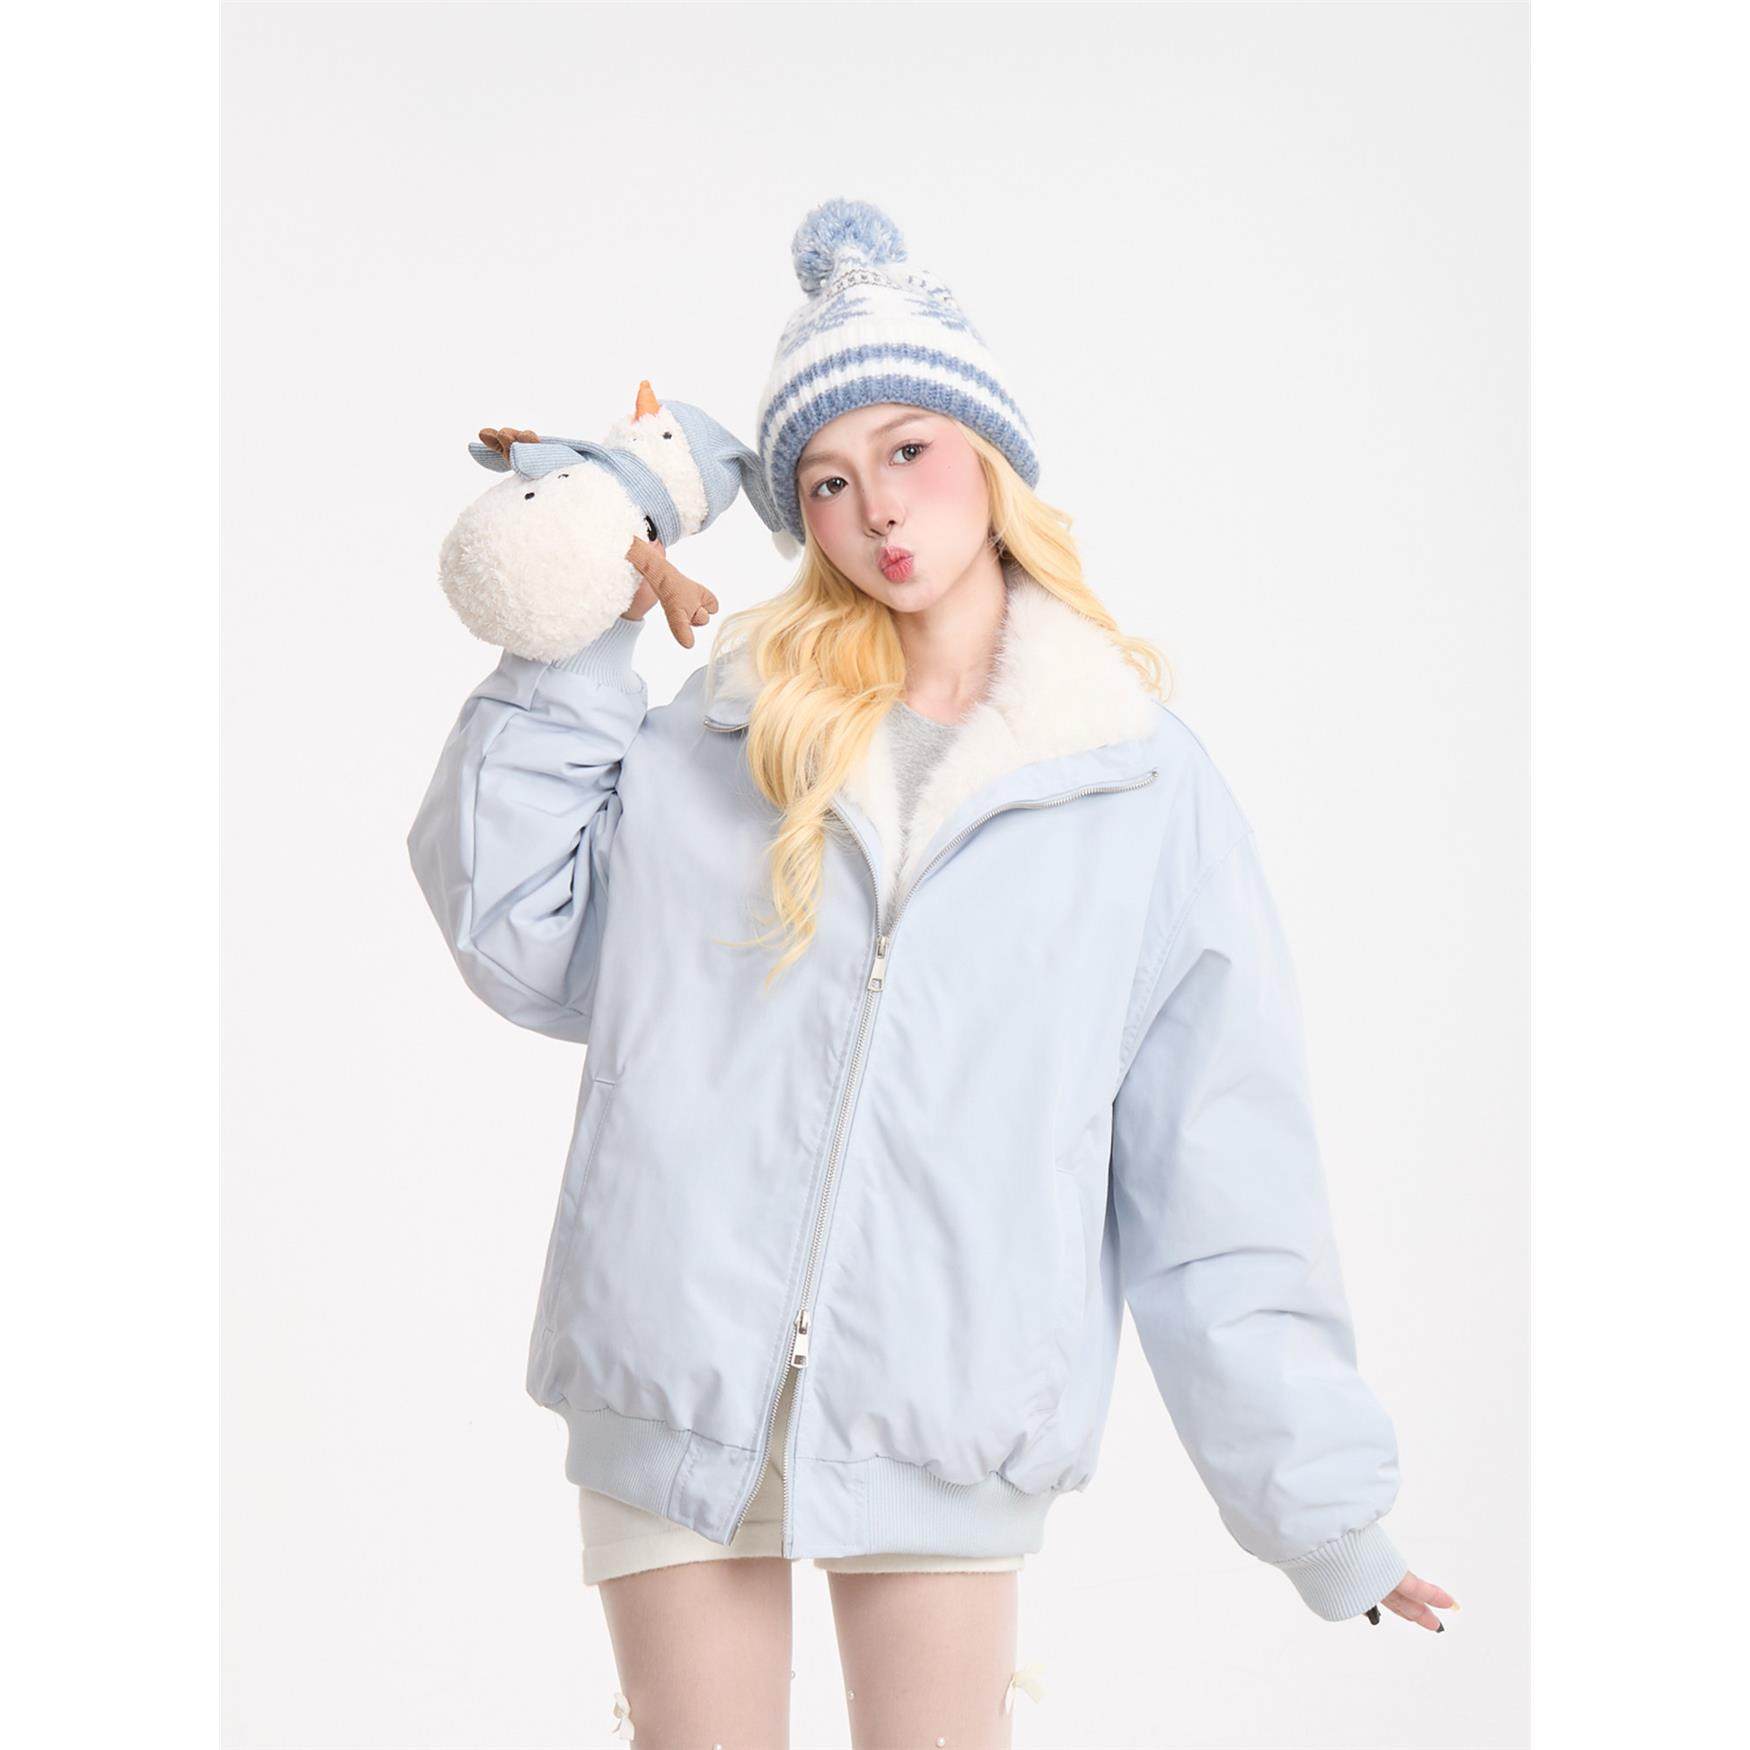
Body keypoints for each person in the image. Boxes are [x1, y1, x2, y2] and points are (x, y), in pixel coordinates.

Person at [409, 198, 1457, 1750]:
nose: (877, 508)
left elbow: (1219, 1166)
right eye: (826, 481)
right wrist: (568, 632)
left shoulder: (1131, 783)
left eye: (907, 449)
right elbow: (517, 934)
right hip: (668, 1375)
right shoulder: (724, 730)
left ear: (990, 456)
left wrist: (1323, 1512)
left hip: (942, 1403)